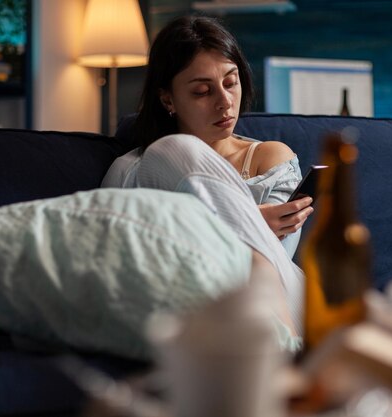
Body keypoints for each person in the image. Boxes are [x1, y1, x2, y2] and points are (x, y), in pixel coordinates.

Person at [102, 15, 313, 338]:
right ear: (167, 99)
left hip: (274, 304)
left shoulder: (270, 160)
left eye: (231, 82)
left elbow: (270, 267)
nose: (225, 102)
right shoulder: (133, 169)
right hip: (184, 311)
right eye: (202, 91)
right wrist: (250, 222)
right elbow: (117, 262)